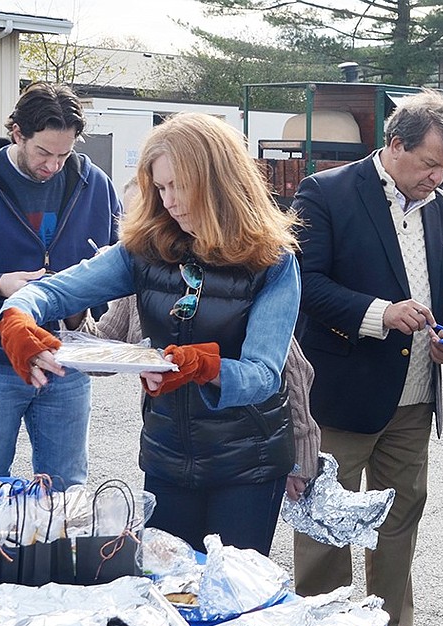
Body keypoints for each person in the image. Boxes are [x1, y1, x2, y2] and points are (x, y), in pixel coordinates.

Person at [0, 111, 302, 556]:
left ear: (219, 181)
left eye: (181, 185)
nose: (170, 201)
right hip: (166, 455)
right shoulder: (143, 249)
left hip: (247, 462)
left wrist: (204, 366)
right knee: (165, 588)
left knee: (231, 600)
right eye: (161, 187)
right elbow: (53, 291)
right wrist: (17, 317)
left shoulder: (273, 260)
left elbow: (264, 374)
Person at [291, 89, 443, 626]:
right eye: (428, 165)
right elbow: (304, 284)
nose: (437, 179)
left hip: (416, 399)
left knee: (400, 524)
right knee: (327, 524)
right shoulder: (326, 193)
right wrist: (379, 313)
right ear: (394, 144)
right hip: (343, 397)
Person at [82, 177, 320, 500]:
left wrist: (301, 457)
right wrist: (74, 308)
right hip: (169, 453)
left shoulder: (244, 272)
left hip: (245, 457)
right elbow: (106, 348)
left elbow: (291, 370)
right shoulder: (138, 274)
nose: (159, 218)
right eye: (138, 215)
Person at [0, 81, 119, 488]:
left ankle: (59, 556)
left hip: (66, 362)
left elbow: (115, 261)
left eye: (65, 153)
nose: (53, 165)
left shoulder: (94, 183)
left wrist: (86, 304)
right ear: (17, 133)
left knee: (67, 490)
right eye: (43, 152)